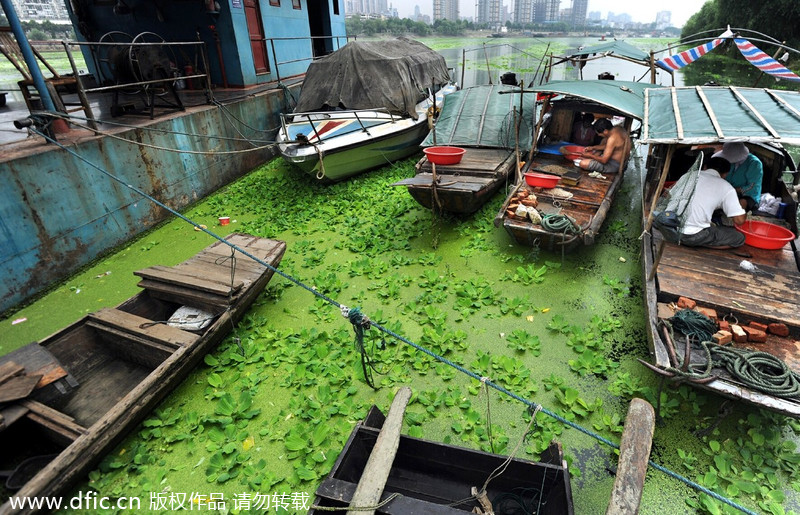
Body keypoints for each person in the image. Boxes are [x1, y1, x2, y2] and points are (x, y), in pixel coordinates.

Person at [659, 156, 746, 249]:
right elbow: (739, 220)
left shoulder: (688, 175)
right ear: (725, 174)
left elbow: (667, 195)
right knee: (739, 238)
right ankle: (701, 244)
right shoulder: (727, 187)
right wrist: (743, 205)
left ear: (705, 167)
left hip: (668, 226)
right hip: (691, 235)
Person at [712, 142, 763, 212]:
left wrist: (732, 191)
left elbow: (752, 186)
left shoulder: (754, 163)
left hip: (746, 195)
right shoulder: (727, 162)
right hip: (726, 192)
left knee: (741, 204)